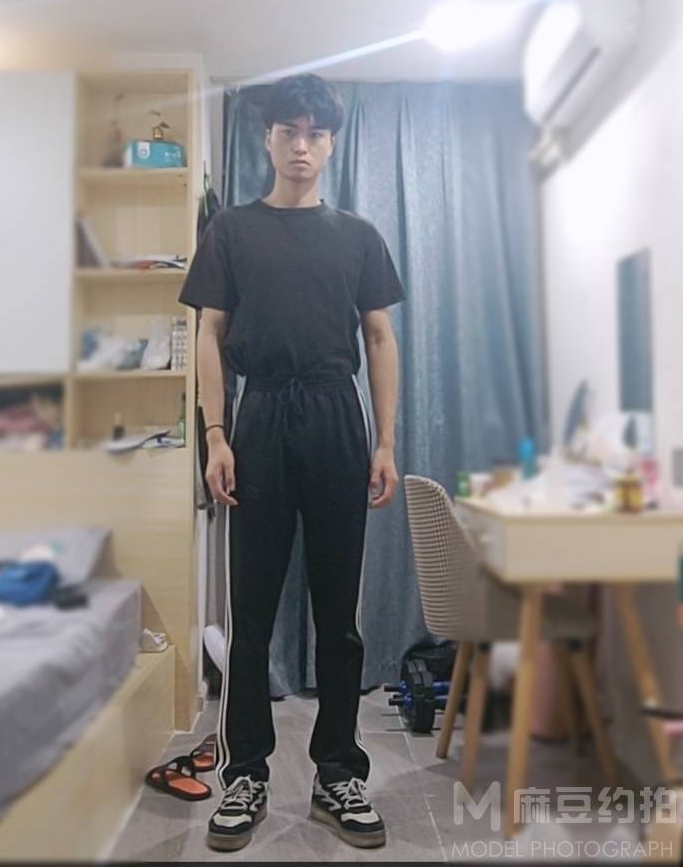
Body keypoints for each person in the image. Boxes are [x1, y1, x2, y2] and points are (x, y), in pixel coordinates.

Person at [179, 73, 404, 852]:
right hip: (261, 417)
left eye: (315, 133)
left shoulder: (358, 236)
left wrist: (384, 440)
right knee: (252, 612)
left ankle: (338, 770)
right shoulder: (231, 231)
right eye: (288, 131)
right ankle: (245, 773)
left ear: (331, 144)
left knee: (338, 615)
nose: (301, 145)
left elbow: (378, 337)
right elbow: (210, 334)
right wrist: (216, 434)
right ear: (268, 139)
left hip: (336, 413)